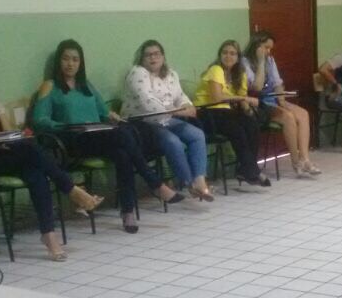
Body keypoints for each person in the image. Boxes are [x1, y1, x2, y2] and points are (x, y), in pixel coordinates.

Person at [0, 59, 104, 260]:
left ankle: (49, 234)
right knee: (30, 150)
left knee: (35, 170)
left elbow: (9, 131)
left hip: (1, 153)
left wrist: (7, 137)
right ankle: (71, 189)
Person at [32, 39, 180, 234]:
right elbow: (39, 119)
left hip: (96, 135)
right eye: (66, 59)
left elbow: (103, 111)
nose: (70, 64)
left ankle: (128, 212)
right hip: (72, 139)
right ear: (59, 61)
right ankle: (154, 183)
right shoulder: (50, 86)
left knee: (123, 152)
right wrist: (64, 125)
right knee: (122, 136)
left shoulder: (86, 85)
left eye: (75, 60)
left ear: (80, 63)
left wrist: (113, 116)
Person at [121, 40, 215, 202]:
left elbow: (180, 97)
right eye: (148, 55)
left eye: (156, 54)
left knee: (197, 134)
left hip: (168, 119)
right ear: (141, 58)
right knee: (173, 141)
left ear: (163, 57)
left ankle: (200, 180)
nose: (153, 58)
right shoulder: (137, 73)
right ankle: (189, 183)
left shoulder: (171, 74)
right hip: (143, 123)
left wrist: (186, 106)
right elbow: (148, 102)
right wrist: (177, 111)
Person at [193, 40, 268, 187]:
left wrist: (249, 112)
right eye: (225, 53)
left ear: (238, 57)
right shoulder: (216, 69)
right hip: (207, 113)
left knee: (251, 124)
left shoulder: (239, 74)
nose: (228, 56)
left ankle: (245, 169)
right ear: (220, 55)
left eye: (232, 54)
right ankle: (252, 170)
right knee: (236, 128)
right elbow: (216, 98)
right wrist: (244, 99)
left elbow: (242, 100)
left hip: (226, 113)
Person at [244, 31, 319, 177]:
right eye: (266, 47)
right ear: (256, 46)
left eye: (270, 48)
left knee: (303, 114)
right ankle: (296, 162)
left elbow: (277, 82)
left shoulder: (270, 60)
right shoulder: (244, 62)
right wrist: (261, 62)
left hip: (273, 98)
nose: (268, 51)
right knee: (288, 117)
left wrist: (282, 100)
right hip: (258, 103)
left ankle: (305, 159)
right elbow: (257, 87)